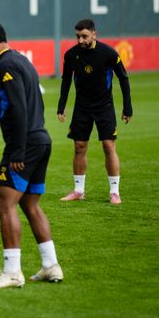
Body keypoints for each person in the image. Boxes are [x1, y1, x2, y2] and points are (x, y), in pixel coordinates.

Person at [0, 20, 63, 289]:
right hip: (41, 139)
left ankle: (12, 271)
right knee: (29, 204)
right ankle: (50, 265)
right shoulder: (21, 61)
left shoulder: (5, 66)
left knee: (4, 204)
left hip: (25, 145)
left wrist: (17, 149)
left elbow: (19, 109)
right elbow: (13, 102)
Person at [57, 19, 133, 204]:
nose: (80, 40)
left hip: (104, 107)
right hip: (82, 107)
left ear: (94, 34)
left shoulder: (108, 54)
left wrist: (127, 107)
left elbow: (123, 78)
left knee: (108, 146)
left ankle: (114, 192)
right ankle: (78, 191)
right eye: (77, 36)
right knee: (79, 147)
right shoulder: (71, 55)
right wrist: (61, 106)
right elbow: (66, 80)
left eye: (84, 36)